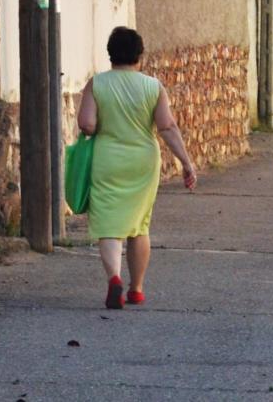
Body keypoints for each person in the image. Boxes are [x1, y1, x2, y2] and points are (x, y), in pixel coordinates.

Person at [77, 27, 197, 309]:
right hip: (143, 162)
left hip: (107, 160)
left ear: (110, 54)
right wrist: (186, 162)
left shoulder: (97, 84)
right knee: (139, 225)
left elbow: (87, 125)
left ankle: (114, 278)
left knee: (109, 223)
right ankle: (136, 289)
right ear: (139, 55)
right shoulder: (153, 87)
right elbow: (167, 126)